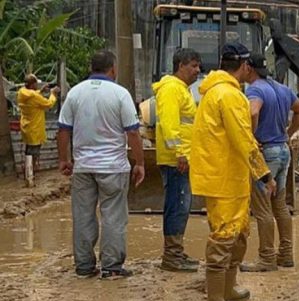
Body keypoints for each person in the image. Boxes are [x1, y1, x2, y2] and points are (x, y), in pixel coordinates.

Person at [189, 43, 270, 301]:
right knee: (224, 237)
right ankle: (214, 299)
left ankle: (228, 287)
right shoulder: (229, 96)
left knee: (238, 234)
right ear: (245, 66)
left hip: (226, 177)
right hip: (224, 179)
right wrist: (264, 172)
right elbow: (244, 139)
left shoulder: (215, 93)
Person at [57, 50, 144, 279]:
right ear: (112, 69)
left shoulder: (74, 94)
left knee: (83, 216)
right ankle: (111, 267)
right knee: (113, 216)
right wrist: (140, 163)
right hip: (113, 167)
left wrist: (64, 160)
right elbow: (133, 133)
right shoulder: (120, 94)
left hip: (83, 167)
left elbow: (63, 130)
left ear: (91, 67)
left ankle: (84, 267)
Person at [239, 54, 299, 272]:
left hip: (266, 152)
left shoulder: (255, 90)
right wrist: (288, 133)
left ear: (249, 68)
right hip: (283, 151)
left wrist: (252, 137)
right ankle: (286, 254)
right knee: (280, 205)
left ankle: (267, 257)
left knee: (262, 207)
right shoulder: (282, 88)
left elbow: (253, 111)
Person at [152, 48, 201, 272]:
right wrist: (180, 152)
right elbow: (170, 125)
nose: (197, 71)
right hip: (176, 160)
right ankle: (171, 256)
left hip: (182, 157)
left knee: (182, 206)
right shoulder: (172, 89)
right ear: (180, 65)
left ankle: (176, 252)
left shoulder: (181, 90)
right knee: (177, 205)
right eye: (193, 65)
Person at [18, 74, 59, 174]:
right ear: (32, 85)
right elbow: (48, 104)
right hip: (35, 129)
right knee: (34, 154)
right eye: (36, 83)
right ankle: (31, 175)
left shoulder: (21, 92)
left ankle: (28, 173)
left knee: (28, 152)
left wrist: (40, 91)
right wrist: (53, 94)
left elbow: (32, 96)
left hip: (26, 127)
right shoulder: (35, 97)